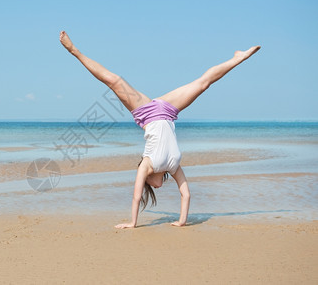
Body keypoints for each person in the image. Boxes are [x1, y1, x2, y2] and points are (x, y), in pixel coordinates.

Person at [59, 31, 260, 228]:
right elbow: (186, 194)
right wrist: (182, 221)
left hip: (145, 112)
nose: (158, 188)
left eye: (153, 188)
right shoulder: (172, 166)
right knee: (203, 84)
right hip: (167, 109)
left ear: (149, 182)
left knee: (113, 81)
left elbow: (137, 196)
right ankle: (239, 58)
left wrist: (133, 223)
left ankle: (74, 51)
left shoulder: (145, 166)